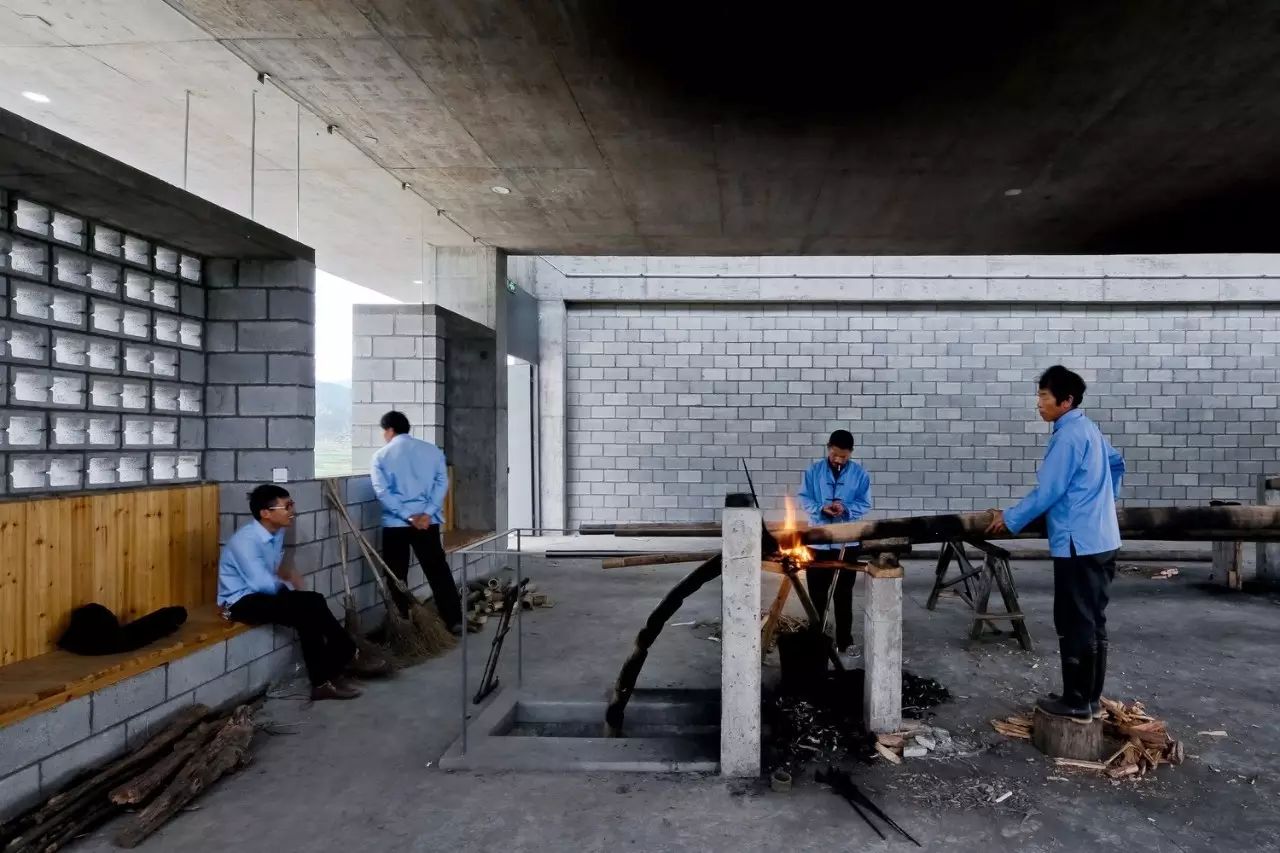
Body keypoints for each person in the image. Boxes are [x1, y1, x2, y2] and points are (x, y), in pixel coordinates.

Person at [987, 365, 1125, 723]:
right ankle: (1089, 699)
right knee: (1093, 620)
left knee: (1074, 619)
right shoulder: (1090, 429)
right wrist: (1102, 503)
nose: (1038, 403)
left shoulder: (1067, 437)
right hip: (1102, 537)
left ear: (1066, 401)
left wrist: (1011, 517)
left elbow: (1050, 490)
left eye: (1044, 397)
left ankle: (1077, 701)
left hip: (1078, 543)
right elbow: (1116, 462)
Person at [219, 484, 386, 701]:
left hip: (261, 593)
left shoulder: (275, 533)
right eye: (286, 506)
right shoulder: (246, 541)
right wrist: (289, 586)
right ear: (265, 513)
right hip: (239, 601)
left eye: (292, 505)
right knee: (309, 605)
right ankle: (346, 655)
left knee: (310, 608)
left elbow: (271, 576)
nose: (292, 511)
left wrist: (289, 583)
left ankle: (324, 680)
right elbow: (261, 583)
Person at [370, 410, 464, 634]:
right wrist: (427, 512)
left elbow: (382, 492)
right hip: (426, 523)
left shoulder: (381, 456)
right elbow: (442, 483)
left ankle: (404, 623)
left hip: (396, 525)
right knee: (437, 570)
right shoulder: (432, 451)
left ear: (389, 430)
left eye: (384, 432)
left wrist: (406, 515)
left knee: (396, 575)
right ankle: (454, 620)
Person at [797, 429, 872, 658]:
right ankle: (817, 638)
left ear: (851, 453)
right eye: (835, 454)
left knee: (843, 594)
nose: (838, 459)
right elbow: (804, 497)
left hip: (846, 543)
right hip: (818, 543)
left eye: (844, 456)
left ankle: (844, 641)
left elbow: (865, 502)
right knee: (817, 594)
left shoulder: (860, 474)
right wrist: (820, 507)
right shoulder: (813, 471)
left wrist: (846, 508)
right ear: (829, 448)